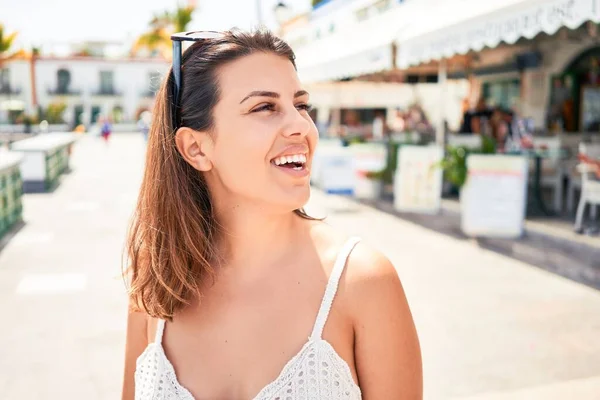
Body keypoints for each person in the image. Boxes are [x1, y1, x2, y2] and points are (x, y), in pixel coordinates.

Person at [121, 29, 422, 400]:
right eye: (264, 107)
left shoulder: (362, 283)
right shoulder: (157, 278)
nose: (301, 126)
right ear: (196, 148)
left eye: (301, 105)